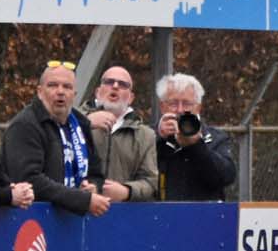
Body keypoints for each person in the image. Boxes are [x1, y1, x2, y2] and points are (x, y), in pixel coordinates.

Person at [4, 62, 110, 216]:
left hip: (72, 219)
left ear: (74, 94)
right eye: (53, 85)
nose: (60, 92)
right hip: (31, 219)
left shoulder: (81, 124)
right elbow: (29, 180)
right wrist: (81, 199)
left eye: (67, 87)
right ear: (40, 92)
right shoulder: (24, 125)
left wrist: (93, 187)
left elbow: (96, 172)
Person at [155, 73, 237, 202]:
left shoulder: (215, 138)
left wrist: (196, 145)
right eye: (173, 103)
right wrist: (160, 138)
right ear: (162, 107)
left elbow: (226, 177)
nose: (180, 110)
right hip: (159, 212)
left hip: (204, 212)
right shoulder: (147, 136)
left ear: (198, 107)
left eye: (187, 104)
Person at [83, 64, 156, 202]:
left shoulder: (145, 135)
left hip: (123, 211)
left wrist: (127, 191)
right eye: (109, 82)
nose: (115, 86)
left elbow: (151, 182)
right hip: (79, 207)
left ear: (131, 98)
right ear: (98, 92)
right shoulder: (72, 121)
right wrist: (85, 123)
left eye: (123, 85)